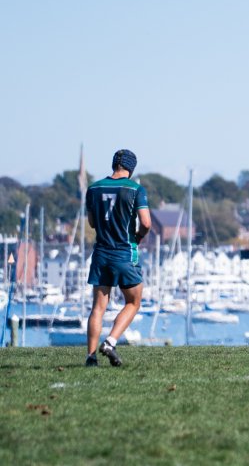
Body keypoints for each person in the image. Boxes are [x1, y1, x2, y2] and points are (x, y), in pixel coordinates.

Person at [84, 149, 151, 367]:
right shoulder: (135, 189)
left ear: (114, 165)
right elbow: (147, 223)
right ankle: (110, 342)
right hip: (124, 253)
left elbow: (92, 223)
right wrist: (139, 236)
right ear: (131, 169)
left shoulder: (93, 188)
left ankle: (91, 357)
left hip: (101, 253)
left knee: (98, 308)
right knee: (133, 301)